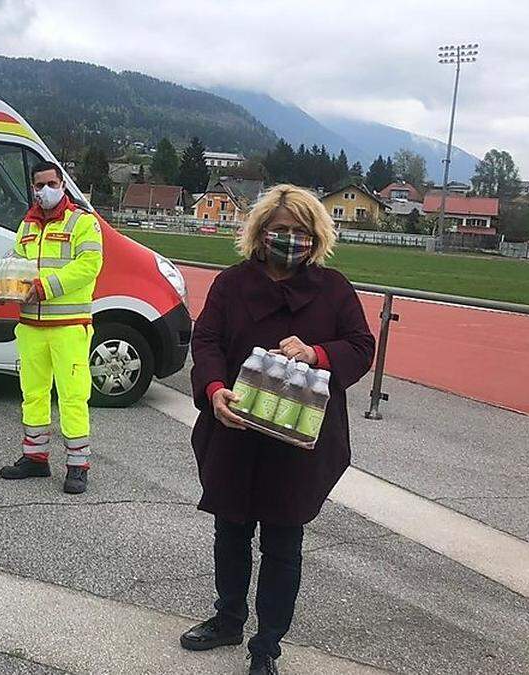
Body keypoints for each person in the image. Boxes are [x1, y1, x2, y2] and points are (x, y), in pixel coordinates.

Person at [181, 185, 376, 675]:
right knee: (231, 529)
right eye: (280, 230)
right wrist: (213, 388)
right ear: (261, 232)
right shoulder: (231, 284)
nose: (290, 240)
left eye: (301, 232)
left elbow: (360, 345)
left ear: (316, 238)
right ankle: (228, 618)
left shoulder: (333, 288)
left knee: (283, 542)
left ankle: (267, 644)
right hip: (236, 430)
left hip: (298, 439)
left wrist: (317, 354)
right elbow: (206, 341)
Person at [0, 161, 103, 494]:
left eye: (51, 183)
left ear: (63, 184)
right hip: (30, 326)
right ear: (32, 187)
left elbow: (89, 266)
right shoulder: (26, 226)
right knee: (34, 393)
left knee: (73, 396)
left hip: (69, 325)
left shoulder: (83, 223)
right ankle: (35, 458)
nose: (44, 190)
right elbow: (15, 261)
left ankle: (77, 464)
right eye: (38, 185)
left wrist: (45, 287)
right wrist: (3, 287)